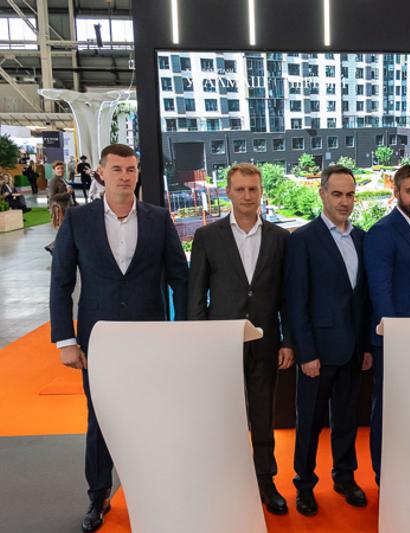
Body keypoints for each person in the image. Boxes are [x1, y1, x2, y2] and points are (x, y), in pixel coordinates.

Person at [49, 144, 188, 532]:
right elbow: (60, 282)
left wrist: (184, 332)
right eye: (117, 169)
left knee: (151, 419)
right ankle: (98, 498)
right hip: (99, 343)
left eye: (131, 169)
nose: (125, 176)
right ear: (101, 173)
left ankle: (153, 493)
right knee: (100, 421)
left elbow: (180, 277)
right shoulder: (78, 220)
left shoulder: (159, 219)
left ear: (138, 173)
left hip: (150, 340)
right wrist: (65, 340)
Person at [187, 162, 294, 515]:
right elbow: (195, 295)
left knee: (263, 415)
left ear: (261, 192)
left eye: (253, 189)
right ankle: (225, 482)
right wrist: (202, 342)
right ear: (228, 192)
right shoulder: (207, 237)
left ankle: (266, 481)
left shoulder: (281, 238)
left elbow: (288, 297)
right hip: (221, 344)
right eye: (240, 189)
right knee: (223, 417)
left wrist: (288, 341)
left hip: (266, 341)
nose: (247, 196)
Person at [284, 165, 372, 516]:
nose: (344, 201)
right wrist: (306, 352)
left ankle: (345, 477)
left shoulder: (363, 238)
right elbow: (296, 301)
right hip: (317, 352)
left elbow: (363, 299)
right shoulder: (303, 239)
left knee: (347, 419)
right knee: (309, 422)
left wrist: (366, 347)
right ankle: (304, 485)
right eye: (337, 194)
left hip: (353, 350)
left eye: (350, 195)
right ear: (322, 194)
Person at [364, 164, 410, 483]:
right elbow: (380, 290)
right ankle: (384, 476)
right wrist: (397, 338)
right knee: (388, 410)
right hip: (395, 341)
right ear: (396, 193)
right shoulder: (383, 231)